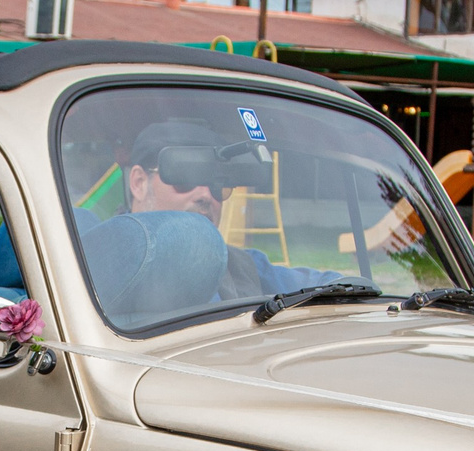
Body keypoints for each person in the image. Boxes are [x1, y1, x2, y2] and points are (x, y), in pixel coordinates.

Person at [77, 119, 344, 325]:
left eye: (218, 183)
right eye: (185, 176)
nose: (205, 195)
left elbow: (325, 284)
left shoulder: (241, 267)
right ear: (138, 182)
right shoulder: (94, 262)